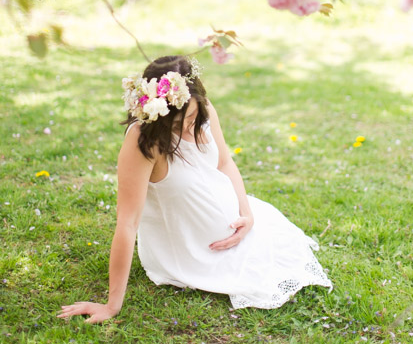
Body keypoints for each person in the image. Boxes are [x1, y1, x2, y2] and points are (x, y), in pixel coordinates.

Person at [57, 55, 333, 324]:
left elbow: (224, 162)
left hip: (238, 222)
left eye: (191, 117)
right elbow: (127, 223)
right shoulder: (143, 142)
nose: (189, 127)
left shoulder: (202, 108)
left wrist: (247, 215)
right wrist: (111, 305)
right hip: (189, 251)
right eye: (177, 124)